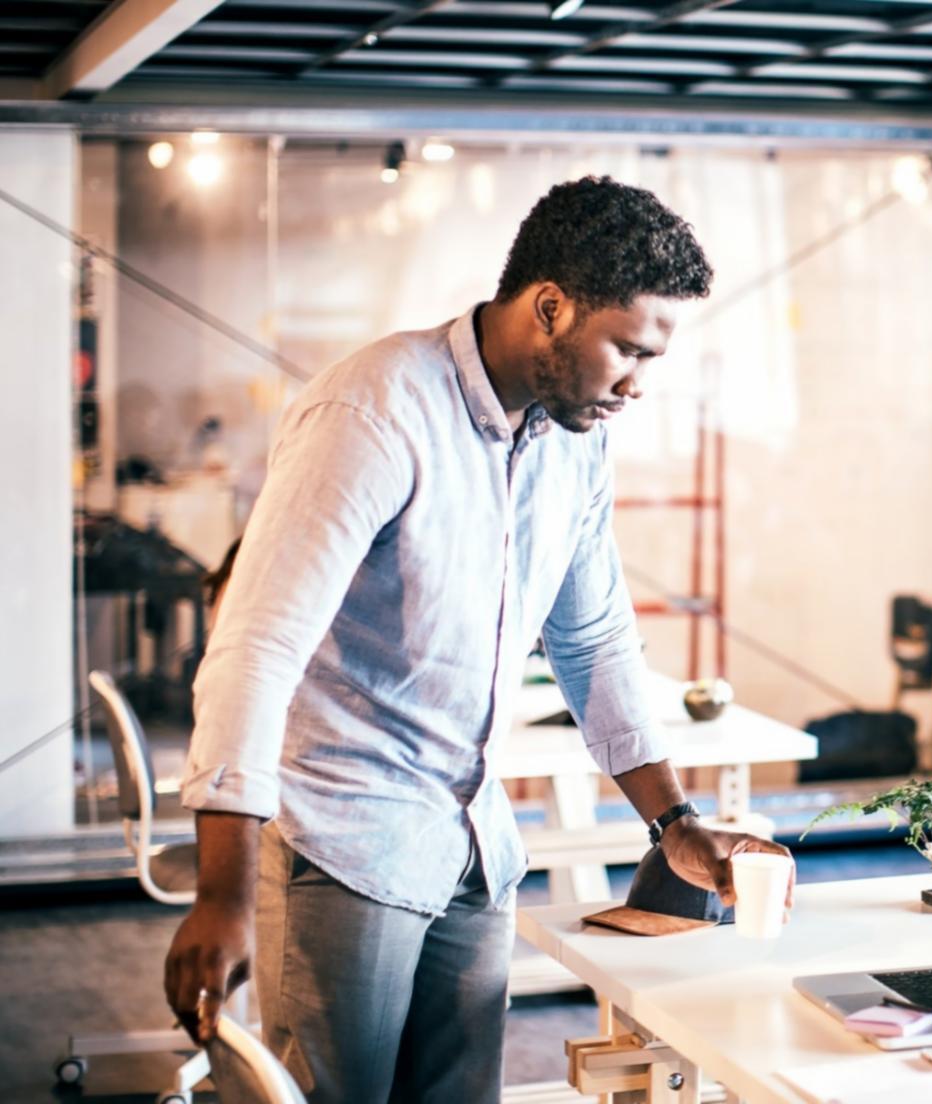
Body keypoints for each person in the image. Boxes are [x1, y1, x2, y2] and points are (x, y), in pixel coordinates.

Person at [165, 178, 794, 1103]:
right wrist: (220, 893)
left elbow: (592, 636)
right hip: (346, 841)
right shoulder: (374, 411)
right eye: (626, 349)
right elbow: (257, 647)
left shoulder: (573, 437)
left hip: (472, 843)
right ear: (551, 307)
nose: (636, 384)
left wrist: (675, 824)